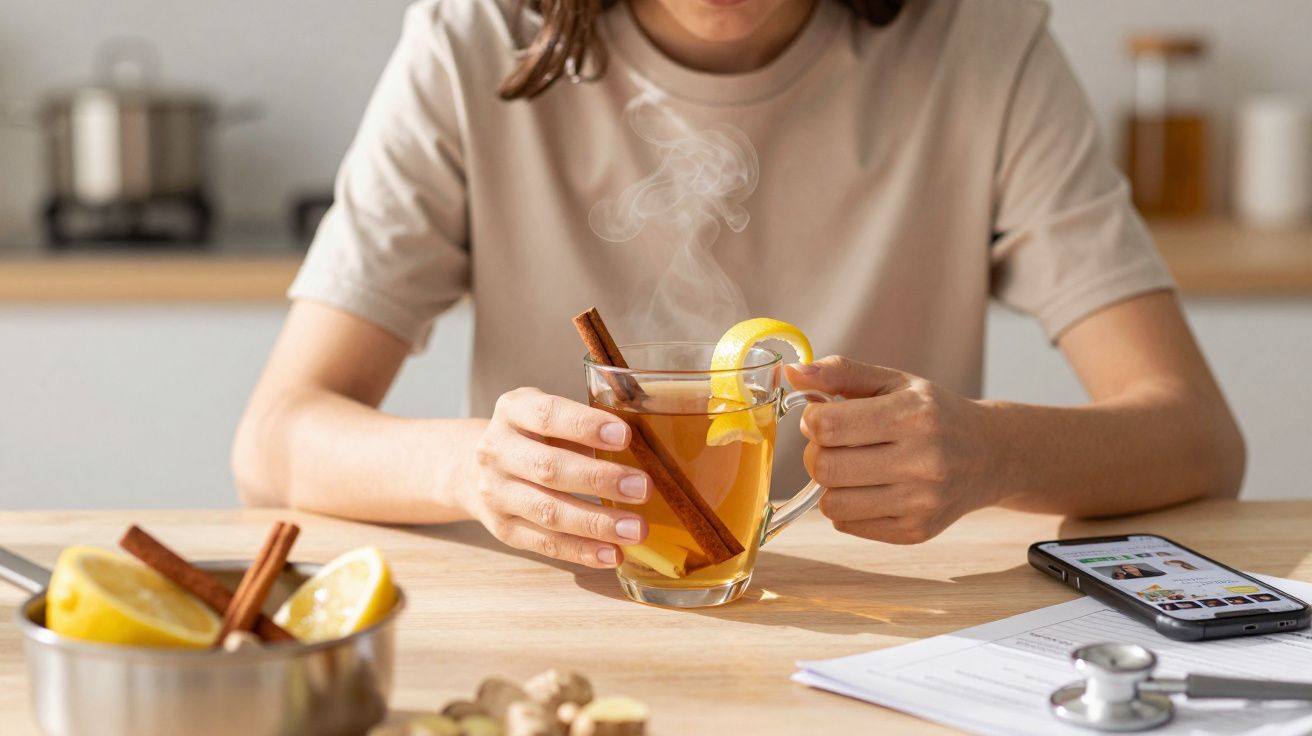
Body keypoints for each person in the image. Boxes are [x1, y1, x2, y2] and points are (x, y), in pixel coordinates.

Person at [233, 0, 1245, 569]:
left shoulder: (985, 47)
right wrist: (474, 470)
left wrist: (991, 450)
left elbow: (1195, 435)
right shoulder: (469, 43)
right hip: (563, 633)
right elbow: (275, 440)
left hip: (884, 647)